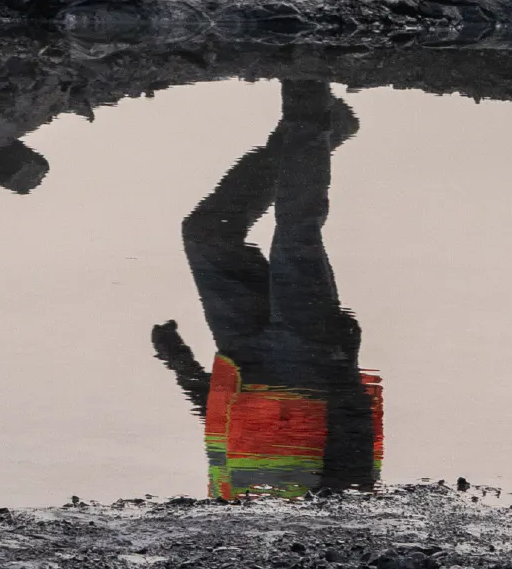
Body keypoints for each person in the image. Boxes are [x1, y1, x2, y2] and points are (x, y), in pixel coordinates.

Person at [151, 79, 381, 499]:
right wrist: (342, 366)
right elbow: (354, 452)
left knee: (207, 235)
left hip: (240, 357)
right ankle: (306, 104)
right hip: (311, 364)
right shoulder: (338, 501)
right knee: (296, 233)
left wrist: (180, 364)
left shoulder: (228, 508)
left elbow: (227, 433)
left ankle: (311, 134)